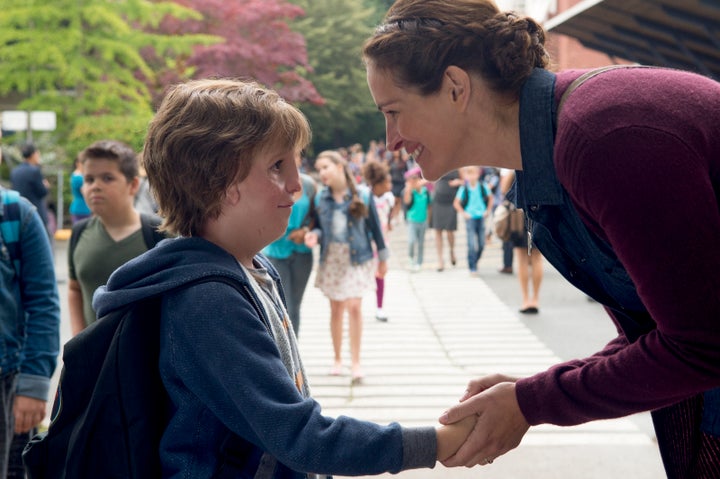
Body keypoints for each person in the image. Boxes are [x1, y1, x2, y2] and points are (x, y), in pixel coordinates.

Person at [362, 1, 720, 477]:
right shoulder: (571, 136)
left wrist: (531, 401)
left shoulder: (604, 138)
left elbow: (702, 345)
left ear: (455, 88)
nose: (390, 140)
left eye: (393, 112)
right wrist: (533, 392)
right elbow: (664, 334)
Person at [93, 78, 476, 478]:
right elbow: (299, 436)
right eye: (278, 165)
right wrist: (437, 443)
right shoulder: (207, 300)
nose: (297, 183)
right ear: (217, 182)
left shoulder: (249, 268)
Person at [0, 128, 60, 478]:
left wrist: (36, 380)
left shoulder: (14, 214)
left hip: (6, 381)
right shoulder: (33, 175)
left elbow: (42, 302)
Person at [68, 140, 166, 336]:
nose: (95, 187)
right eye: (89, 179)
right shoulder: (79, 233)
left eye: (107, 178)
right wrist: (77, 341)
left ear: (133, 185)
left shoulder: (158, 232)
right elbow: (74, 289)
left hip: (146, 360)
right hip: (94, 360)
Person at [305, 150, 387, 382]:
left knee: (354, 307)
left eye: (325, 168)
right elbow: (319, 227)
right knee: (336, 309)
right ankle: (338, 358)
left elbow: (376, 229)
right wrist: (314, 236)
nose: (321, 173)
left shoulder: (362, 195)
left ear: (340, 167)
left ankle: (356, 362)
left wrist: (383, 258)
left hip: (357, 258)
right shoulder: (322, 198)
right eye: (319, 169)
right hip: (332, 259)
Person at [262, 154, 316, 336]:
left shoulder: (308, 184)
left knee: (295, 307)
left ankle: (294, 352)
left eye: (296, 154)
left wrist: (306, 231)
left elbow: (316, 216)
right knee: (283, 307)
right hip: (276, 252)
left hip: (302, 253)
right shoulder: (269, 182)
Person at [500, 170, 542, 314]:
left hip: (519, 217)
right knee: (536, 258)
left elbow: (504, 189)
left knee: (522, 259)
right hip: (537, 214)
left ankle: (526, 300)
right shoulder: (539, 164)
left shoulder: (514, 165)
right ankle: (535, 300)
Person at [362, 159, 395, 321]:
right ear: (378, 183)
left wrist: (389, 224)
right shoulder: (366, 198)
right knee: (364, 274)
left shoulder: (389, 198)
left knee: (381, 273)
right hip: (368, 242)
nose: (390, 184)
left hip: (383, 242)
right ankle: (357, 305)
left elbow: (388, 215)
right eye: (387, 181)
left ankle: (380, 307)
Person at [453, 166, 492, 276]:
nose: (472, 176)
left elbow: (490, 198)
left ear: (478, 174)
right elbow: (456, 203)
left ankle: (475, 261)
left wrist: (487, 210)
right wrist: (464, 213)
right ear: (466, 176)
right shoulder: (464, 188)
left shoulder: (482, 186)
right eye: (469, 174)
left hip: (481, 217)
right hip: (470, 218)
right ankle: (472, 267)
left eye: (473, 173)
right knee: (471, 244)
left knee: (481, 243)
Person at [10, 142, 50, 234]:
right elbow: (42, 192)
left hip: (18, 212)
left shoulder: (15, 171)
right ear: (33, 154)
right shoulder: (35, 171)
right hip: (36, 212)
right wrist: (46, 185)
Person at [430, 169, 462, 271]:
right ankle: (440, 260)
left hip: (451, 202)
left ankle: (452, 251)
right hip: (438, 199)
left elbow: (466, 180)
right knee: (438, 230)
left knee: (450, 231)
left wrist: (459, 182)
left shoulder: (458, 165)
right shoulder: (438, 162)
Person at [403, 166, 431, 272]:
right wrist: (409, 189)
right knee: (411, 241)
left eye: (415, 178)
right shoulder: (409, 191)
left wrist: (428, 220)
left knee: (420, 243)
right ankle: (410, 258)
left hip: (423, 220)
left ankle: (419, 262)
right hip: (412, 220)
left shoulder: (425, 191)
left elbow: (429, 206)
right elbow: (406, 202)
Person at [69, 155, 92, 225]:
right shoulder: (78, 178)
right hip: (81, 208)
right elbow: (86, 192)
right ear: (78, 163)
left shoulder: (76, 175)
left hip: (81, 207)